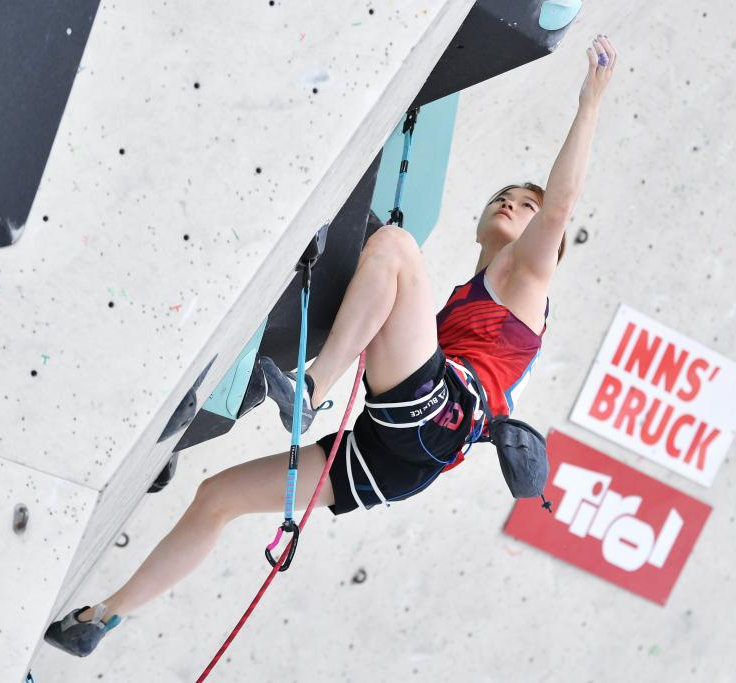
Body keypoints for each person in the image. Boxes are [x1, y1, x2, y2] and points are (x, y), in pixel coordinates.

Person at [44, 33, 618, 657]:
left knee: (394, 247)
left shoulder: (527, 277)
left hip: (438, 416)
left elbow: (560, 207)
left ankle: (311, 388)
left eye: (527, 205)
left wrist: (589, 101)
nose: (512, 202)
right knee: (218, 498)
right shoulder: (473, 295)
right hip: (400, 458)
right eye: (505, 196)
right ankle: (100, 619)